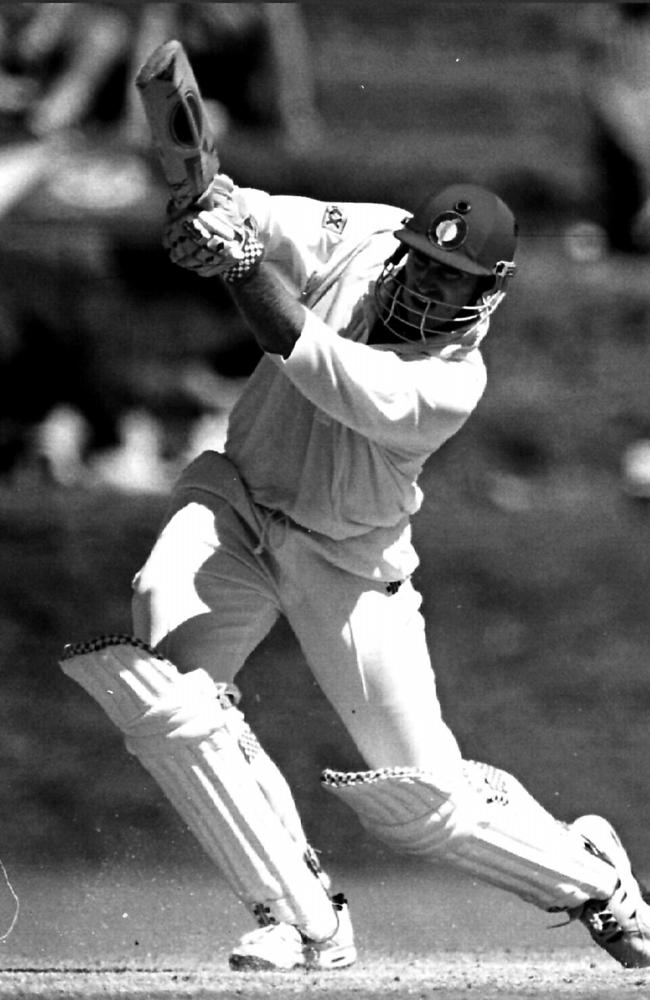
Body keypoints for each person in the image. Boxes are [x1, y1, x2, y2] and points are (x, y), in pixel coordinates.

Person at [61, 174, 650, 972]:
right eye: (422, 262)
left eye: (454, 278)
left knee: (422, 800)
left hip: (350, 560)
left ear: (488, 290)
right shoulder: (367, 236)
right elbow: (264, 220)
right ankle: (302, 919)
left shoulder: (449, 383)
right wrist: (210, 216)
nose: (428, 283)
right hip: (239, 503)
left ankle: (595, 879)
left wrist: (237, 268)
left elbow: (304, 350)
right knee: (165, 690)